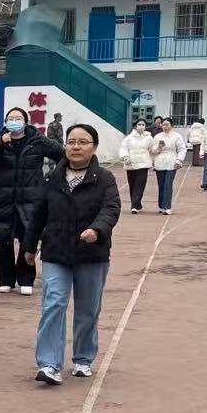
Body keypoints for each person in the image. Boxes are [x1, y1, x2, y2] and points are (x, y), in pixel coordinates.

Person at [27, 123, 122, 385]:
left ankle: (83, 358)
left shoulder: (104, 178)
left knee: (87, 309)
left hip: (92, 253)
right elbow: (38, 213)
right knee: (53, 303)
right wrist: (28, 246)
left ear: (94, 147)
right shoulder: (51, 178)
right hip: (56, 251)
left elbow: (111, 209)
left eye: (83, 142)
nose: (76, 147)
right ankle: (49, 364)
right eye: (71, 142)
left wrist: (96, 230)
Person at [0, 106, 63, 296]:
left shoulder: (37, 141)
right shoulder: (0, 141)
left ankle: (26, 278)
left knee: (28, 239)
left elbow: (60, 154)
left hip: (30, 199)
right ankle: (6, 279)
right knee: (4, 240)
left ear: (26, 122)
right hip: (4, 199)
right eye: (10, 118)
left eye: (18, 118)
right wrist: (0, 143)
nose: (14, 121)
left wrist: (53, 178)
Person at [119, 118, 154, 212]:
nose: (141, 126)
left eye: (143, 125)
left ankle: (134, 205)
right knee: (133, 185)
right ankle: (137, 203)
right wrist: (125, 157)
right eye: (139, 124)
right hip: (131, 164)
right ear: (135, 126)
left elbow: (152, 149)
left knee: (140, 185)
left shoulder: (149, 138)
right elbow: (123, 148)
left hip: (143, 164)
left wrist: (159, 148)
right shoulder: (129, 138)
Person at [150, 117, 183, 214]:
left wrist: (179, 160)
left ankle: (167, 207)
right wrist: (159, 147)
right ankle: (161, 205)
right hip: (160, 162)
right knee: (161, 185)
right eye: (163, 124)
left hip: (171, 162)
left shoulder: (177, 136)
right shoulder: (157, 137)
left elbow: (182, 149)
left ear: (171, 125)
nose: (165, 126)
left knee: (168, 185)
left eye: (167, 124)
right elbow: (153, 151)